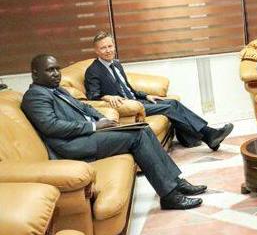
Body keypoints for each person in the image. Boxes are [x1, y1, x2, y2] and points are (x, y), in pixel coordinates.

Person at [22, 54, 205, 210]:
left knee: (143, 128)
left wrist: (103, 119)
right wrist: (94, 126)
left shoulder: (57, 90)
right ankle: (170, 196)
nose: (56, 73)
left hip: (86, 135)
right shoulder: (35, 96)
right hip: (72, 145)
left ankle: (176, 182)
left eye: (57, 69)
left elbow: (84, 107)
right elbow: (52, 126)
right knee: (137, 136)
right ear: (35, 73)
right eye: (50, 70)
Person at [85, 31, 233, 151]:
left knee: (173, 102)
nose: (108, 50)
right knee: (168, 108)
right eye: (103, 48)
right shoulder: (93, 71)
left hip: (138, 101)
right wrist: (107, 97)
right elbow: (92, 96)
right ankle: (208, 135)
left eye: (110, 46)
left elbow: (129, 89)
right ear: (96, 50)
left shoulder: (116, 64)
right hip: (130, 108)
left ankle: (192, 138)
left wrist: (146, 95)